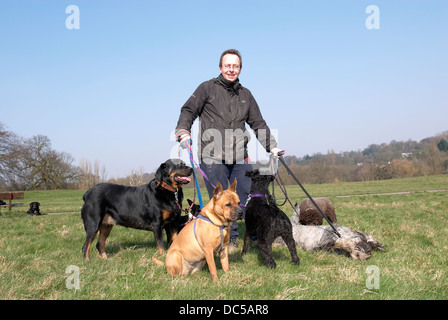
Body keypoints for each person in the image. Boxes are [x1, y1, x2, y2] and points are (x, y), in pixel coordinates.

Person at [174, 49, 284, 250]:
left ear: (240, 68)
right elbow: (188, 110)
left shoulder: (246, 95)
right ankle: (230, 239)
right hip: (212, 156)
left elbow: (258, 123)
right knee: (222, 201)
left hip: (239, 155)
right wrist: (183, 131)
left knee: (248, 195)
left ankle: (254, 234)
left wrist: (273, 147)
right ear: (220, 67)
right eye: (228, 66)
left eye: (235, 66)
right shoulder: (206, 88)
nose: (231, 70)